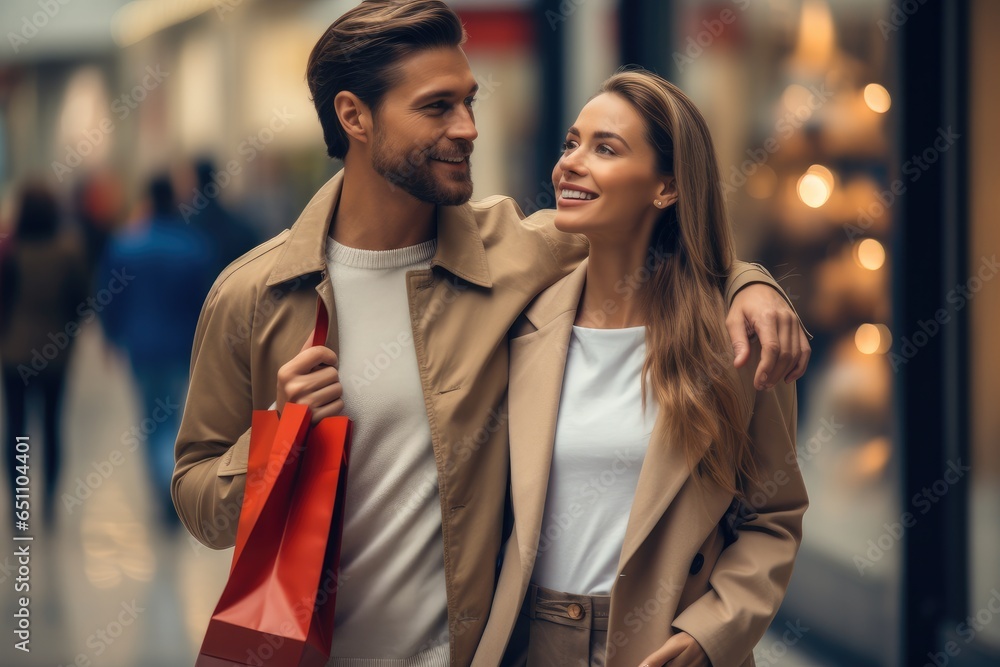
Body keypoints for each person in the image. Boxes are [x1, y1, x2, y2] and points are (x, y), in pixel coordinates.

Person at [171, 2, 810, 665]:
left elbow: (660, 242)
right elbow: (197, 501)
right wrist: (280, 431)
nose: (468, 128)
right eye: (437, 107)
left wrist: (750, 285)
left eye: (470, 101)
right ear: (353, 116)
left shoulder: (511, 250)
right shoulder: (253, 294)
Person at [473, 70, 808, 667]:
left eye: (605, 148)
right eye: (571, 142)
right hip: (528, 639)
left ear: (667, 188)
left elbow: (773, 516)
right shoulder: (518, 318)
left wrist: (712, 632)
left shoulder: (734, 341)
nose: (571, 163)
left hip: (662, 641)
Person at [99, 174, 214, 528]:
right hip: (181, 346)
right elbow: (208, 301)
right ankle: (172, 484)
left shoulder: (125, 246)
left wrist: (111, 336)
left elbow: (109, 297)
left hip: (141, 346)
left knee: (150, 421)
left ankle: (163, 486)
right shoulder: (194, 246)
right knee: (174, 419)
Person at [1, 179, 88, 528]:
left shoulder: (11, 252)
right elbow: (82, 303)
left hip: (14, 353)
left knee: (18, 430)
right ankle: (50, 502)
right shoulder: (68, 252)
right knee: (52, 427)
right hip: (56, 354)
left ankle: (19, 507)